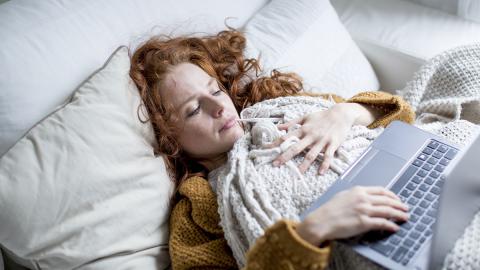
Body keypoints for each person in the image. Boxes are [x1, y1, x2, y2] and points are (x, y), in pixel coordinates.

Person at [129, 29, 414, 270]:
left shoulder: (280, 110)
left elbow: (402, 116)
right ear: (170, 139)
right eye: (193, 110)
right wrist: (311, 230)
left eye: (215, 91)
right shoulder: (196, 210)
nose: (218, 107)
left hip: (412, 182)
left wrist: (345, 113)